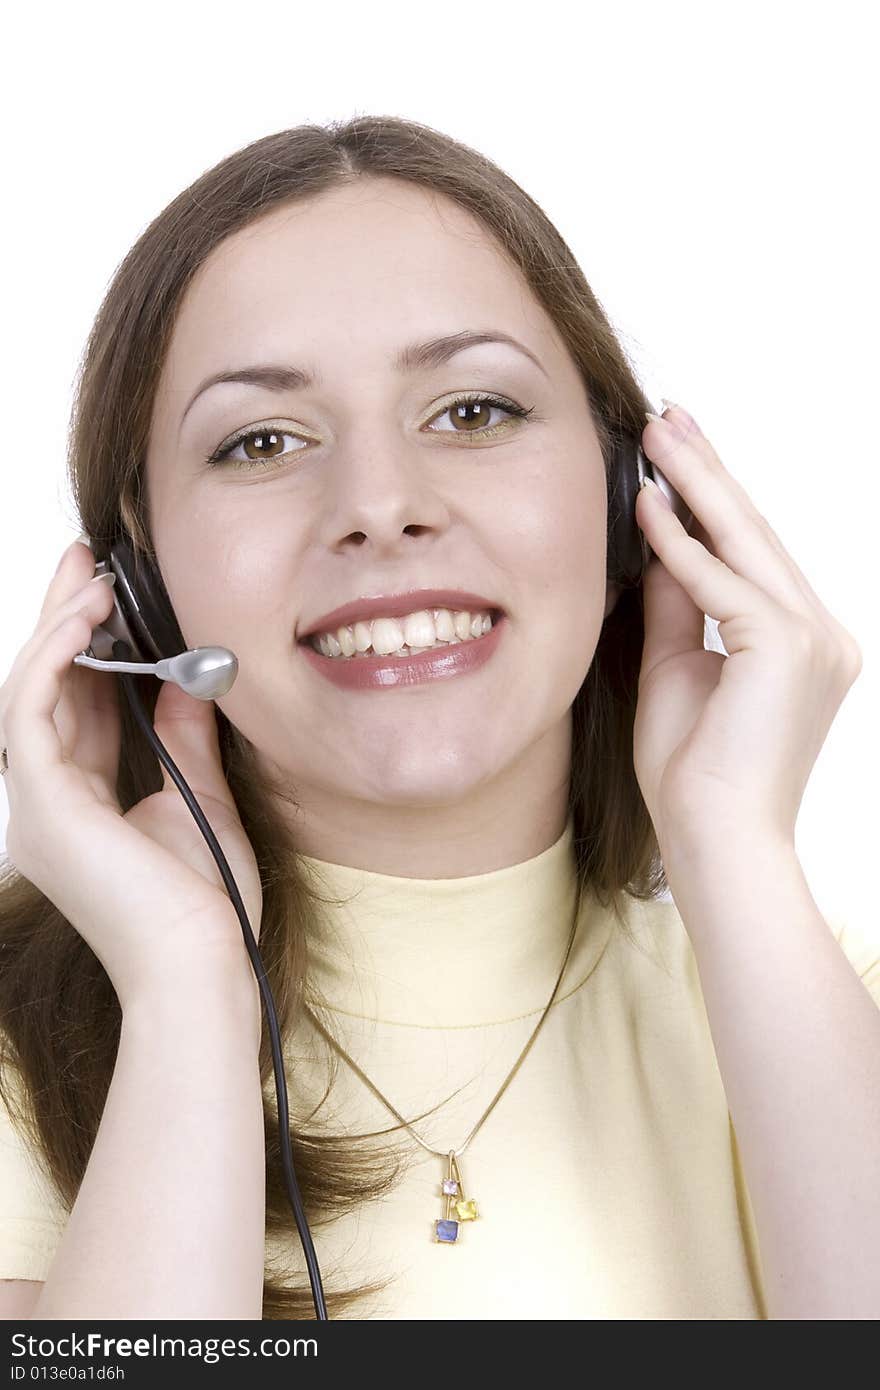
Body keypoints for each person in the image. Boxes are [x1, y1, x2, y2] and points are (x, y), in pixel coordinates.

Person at [1, 115, 877, 1322]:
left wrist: (731, 838)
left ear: (635, 502)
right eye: (261, 440)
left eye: (471, 412)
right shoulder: (16, 1054)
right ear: (136, 582)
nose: (378, 504)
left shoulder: (824, 992)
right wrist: (183, 991)